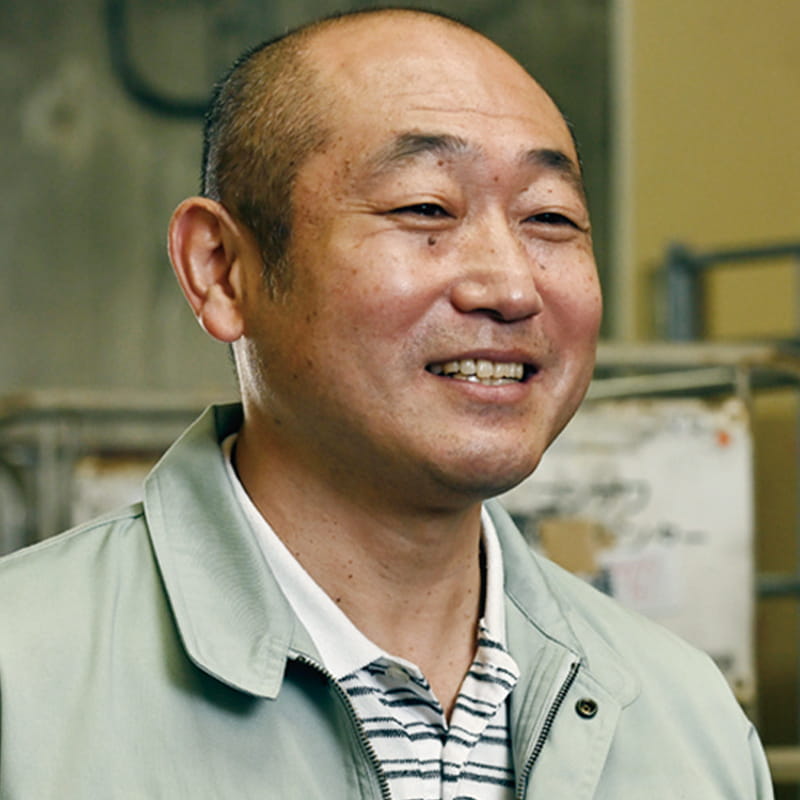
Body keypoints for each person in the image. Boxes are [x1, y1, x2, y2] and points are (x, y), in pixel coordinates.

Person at [0, 8, 773, 799]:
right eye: (425, 208)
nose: (511, 287)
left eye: (550, 218)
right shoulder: (22, 687)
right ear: (223, 269)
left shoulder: (687, 721)